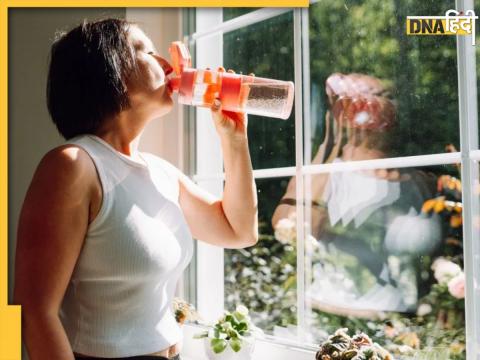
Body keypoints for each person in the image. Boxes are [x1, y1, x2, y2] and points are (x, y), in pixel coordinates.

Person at [13, 19, 258, 360]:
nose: (167, 64)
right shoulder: (73, 165)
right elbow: (32, 312)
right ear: (108, 70)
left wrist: (234, 140)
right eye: (147, 50)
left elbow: (239, 230)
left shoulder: (160, 172)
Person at [272, 73, 441, 317]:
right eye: (357, 101)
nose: (368, 111)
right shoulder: (326, 174)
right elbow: (288, 229)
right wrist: (329, 146)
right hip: (326, 312)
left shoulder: (415, 182)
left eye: (382, 99)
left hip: (400, 321)